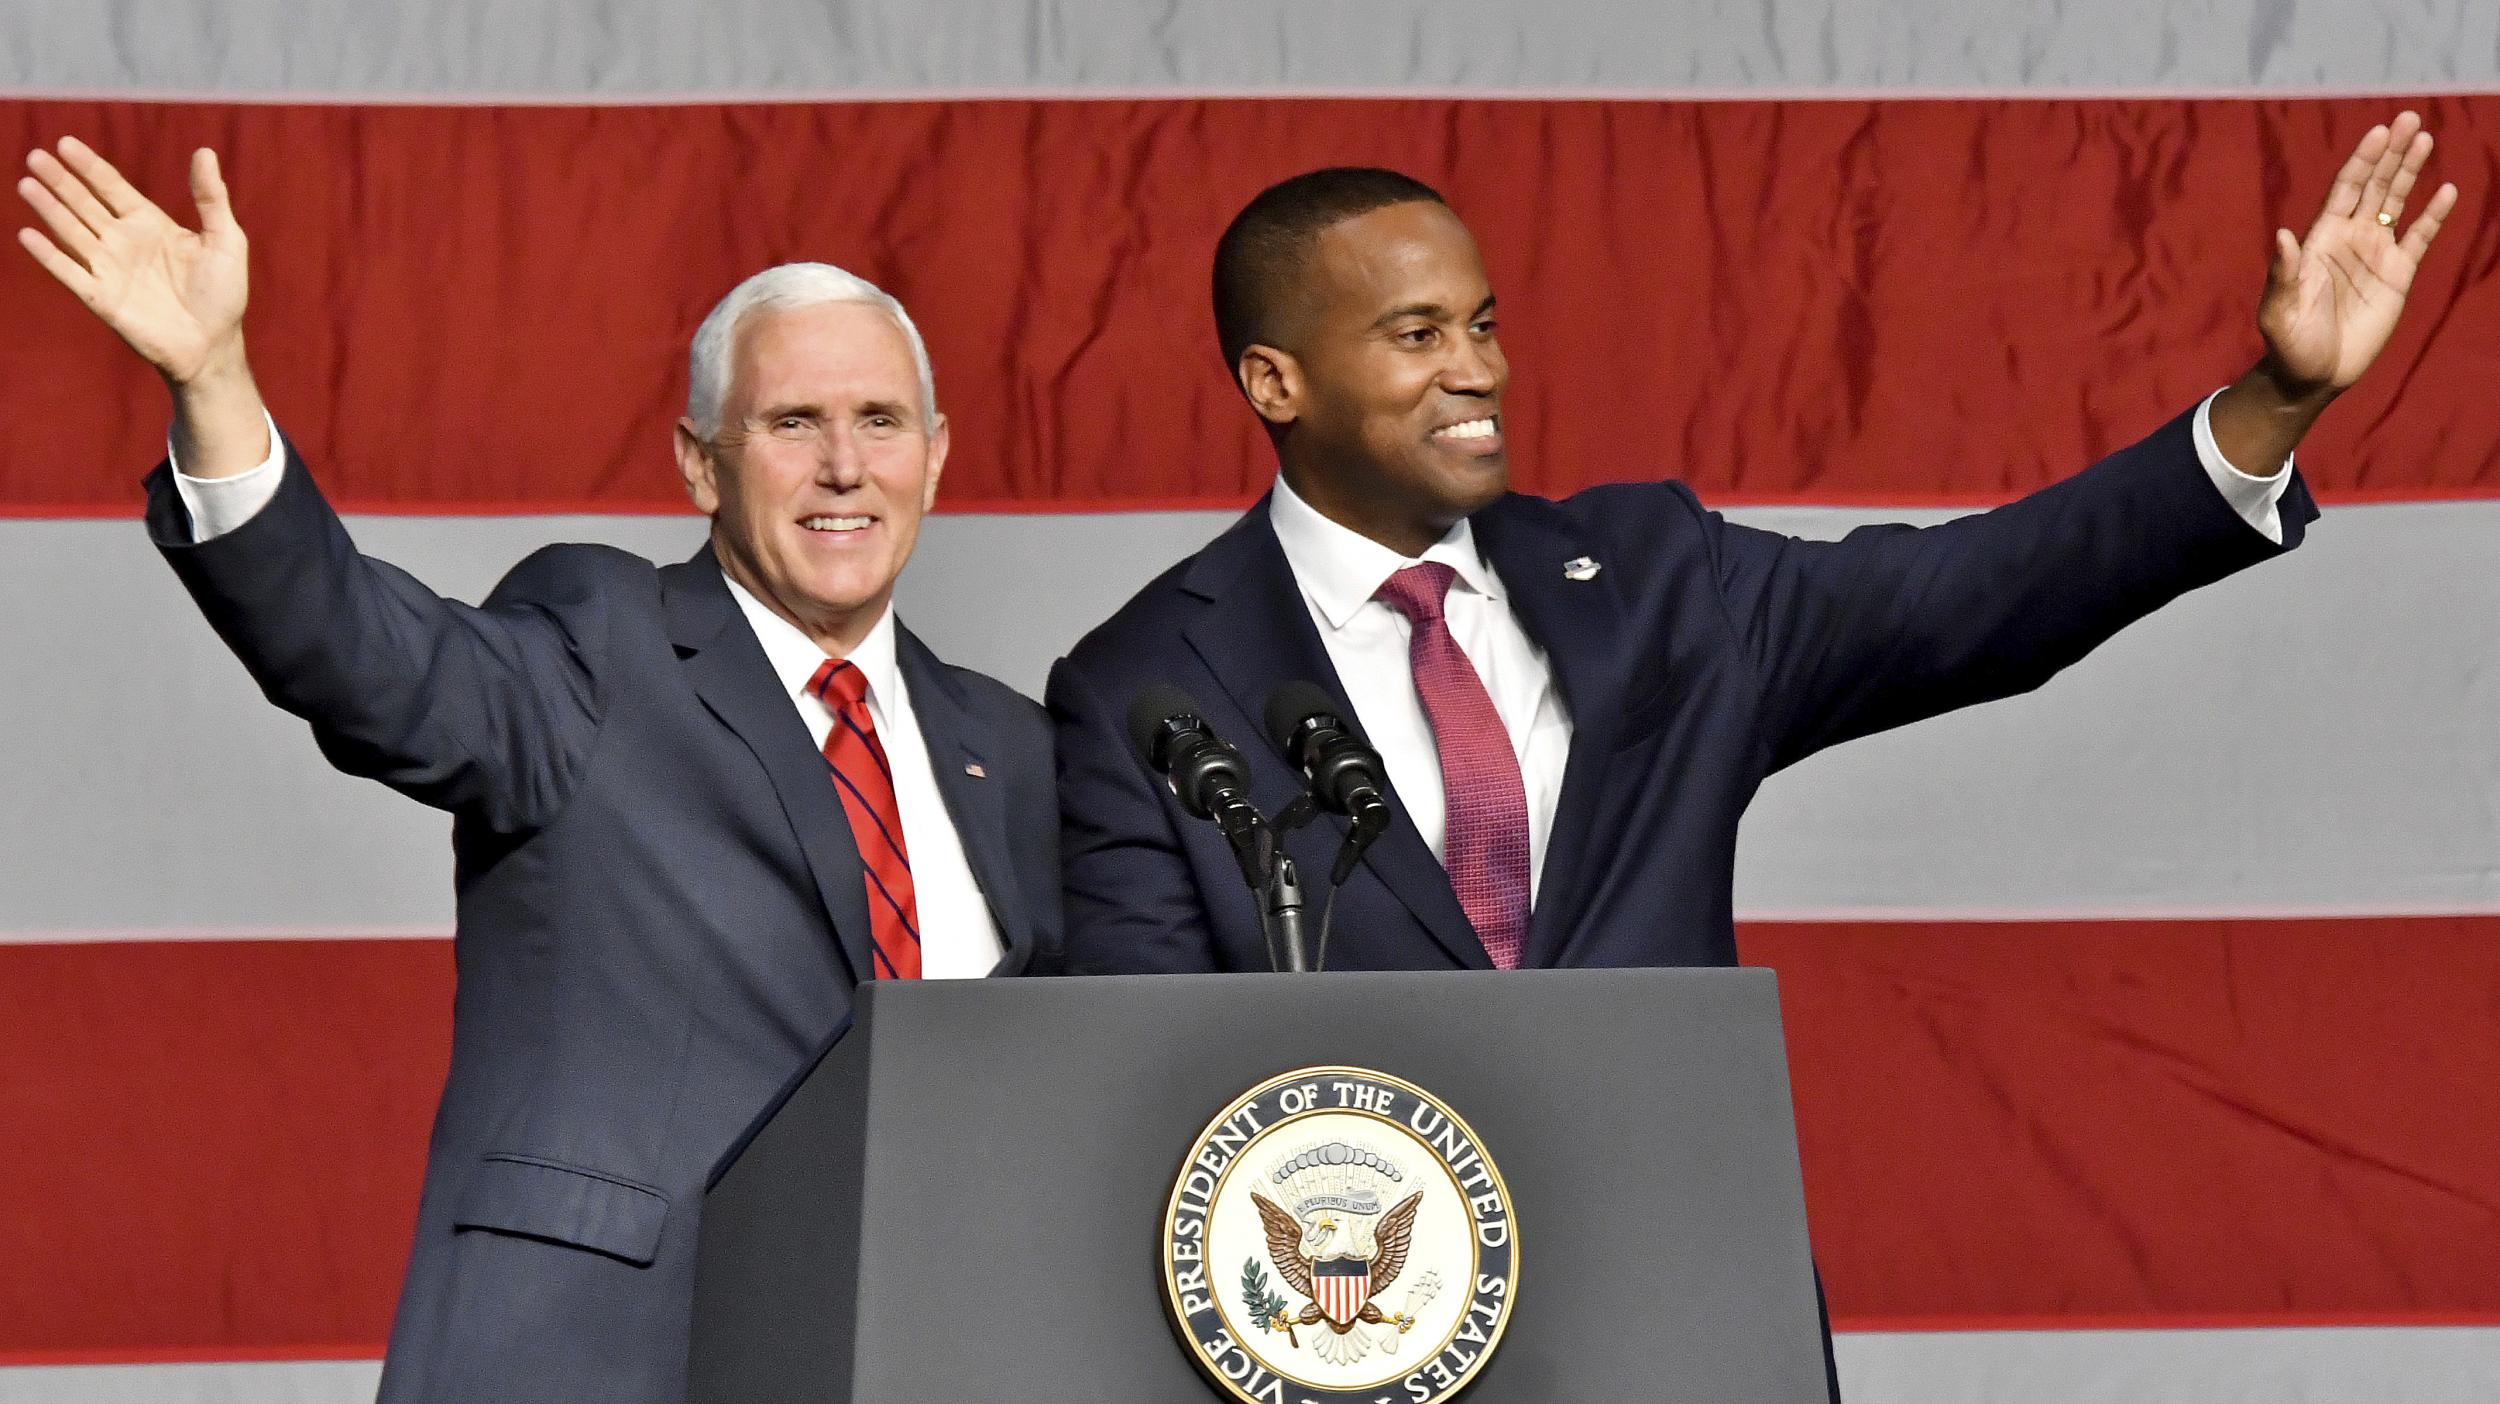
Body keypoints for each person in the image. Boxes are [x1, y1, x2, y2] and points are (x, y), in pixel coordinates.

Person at [1045, 120, 2456, 1390]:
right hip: (1354, 1343)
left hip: (1686, 1309)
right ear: (1276, 378)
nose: (1478, 370)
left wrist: (2272, 402)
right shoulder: (1148, 685)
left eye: (1482, 323)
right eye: (1416, 336)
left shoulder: (1654, 577)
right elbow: (1145, 1072)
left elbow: (1977, 598)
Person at [14, 138, 1062, 1403]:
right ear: (698, 462)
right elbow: (366, 656)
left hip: (928, 1357)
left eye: (879, 422)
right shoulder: (601, 645)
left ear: (937, 455)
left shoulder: (1008, 745)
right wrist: (217, 380)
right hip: (613, 1355)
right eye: (793, 423)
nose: (844, 467)